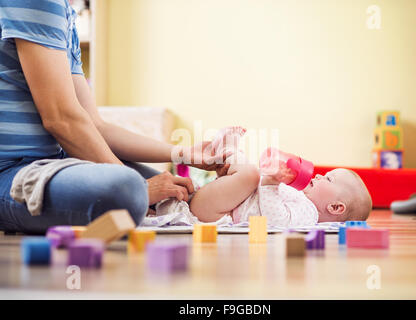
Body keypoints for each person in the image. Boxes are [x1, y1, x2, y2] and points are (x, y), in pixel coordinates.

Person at [0, 0, 227, 234]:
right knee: (127, 190)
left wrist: (183, 154)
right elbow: (60, 120)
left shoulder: (64, 12)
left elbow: (95, 126)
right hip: (11, 172)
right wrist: (141, 187)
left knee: (180, 194)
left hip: (56, 163)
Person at [175, 127, 373, 227]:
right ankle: (223, 153)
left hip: (218, 213)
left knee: (249, 174)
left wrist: (270, 182)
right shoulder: (301, 198)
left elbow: (275, 219)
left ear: (335, 207)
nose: (320, 176)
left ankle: (226, 149)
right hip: (223, 203)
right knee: (249, 175)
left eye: (328, 179)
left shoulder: (309, 214)